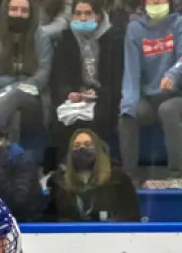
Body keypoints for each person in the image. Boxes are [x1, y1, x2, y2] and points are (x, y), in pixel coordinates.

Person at [120, 0, 182, 189]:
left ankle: (176, 176)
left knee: (168, 109)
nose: (156, 2)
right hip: (150, 98)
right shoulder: (134, 29)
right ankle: (128, 178)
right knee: (128, 111)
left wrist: (173, 74)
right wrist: (128, 104)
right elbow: (131, 72)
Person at [47, 0, 126, 167]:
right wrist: (69, 93)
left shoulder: (114, 38)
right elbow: (59, 76)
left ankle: (98, 167)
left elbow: (117, 79)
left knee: (100, 117)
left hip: (104, 96)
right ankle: (59, 170)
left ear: (98, 15)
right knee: (60, 120)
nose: (82, 18)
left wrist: (97, 94)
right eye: (78, 14)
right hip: (75, 97)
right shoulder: (66, 38)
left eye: (88, 13)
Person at [0, 0, 54, 142]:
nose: (19, 14)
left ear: (31, 14)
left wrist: (7, 90)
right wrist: (17, 84)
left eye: (24, 11)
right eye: (14, 9)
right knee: (12, 112)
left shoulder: (41, 38)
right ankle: (8, 157)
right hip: (0, 99)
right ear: (5, 11)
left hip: (34, 101)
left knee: (15, 96)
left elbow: (42, 78)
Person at [45, 128, 140, 221]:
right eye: (77, 145)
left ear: (97, 149)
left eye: (87, 144)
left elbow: (131, 216)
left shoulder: (119, 179)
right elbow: (52, 219)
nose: (82, 148)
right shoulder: (59, 182)